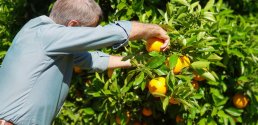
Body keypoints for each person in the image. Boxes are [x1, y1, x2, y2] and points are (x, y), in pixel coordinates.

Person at [0, 0, 170, 124]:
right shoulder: (46, 35)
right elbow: (107, 34)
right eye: (88, 31)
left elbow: (92, 58)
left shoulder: (48, 40)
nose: (88, 37)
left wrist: (138, 61)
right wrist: (153, 29)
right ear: (72, 25)